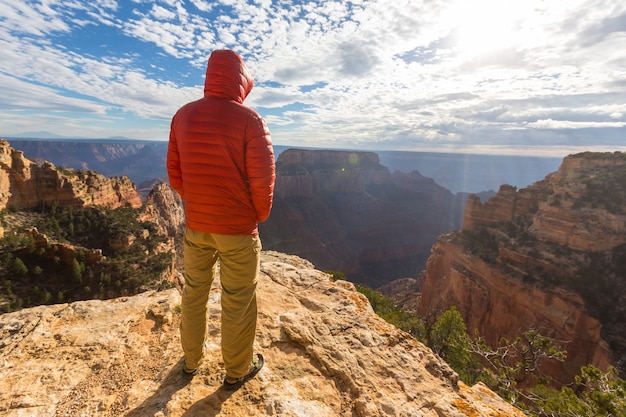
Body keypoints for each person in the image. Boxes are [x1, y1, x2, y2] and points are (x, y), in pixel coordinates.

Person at [167, 49, 275, 390]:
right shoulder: (251, 120)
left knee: (194, 294)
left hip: (198, 226)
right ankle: (237, 370)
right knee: (238, 300)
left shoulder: (182, 116)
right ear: (240, 81)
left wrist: (199, 203)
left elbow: (175, 174)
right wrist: (255, 216)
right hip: (238, 230)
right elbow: (263, 181)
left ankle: (190, 361)